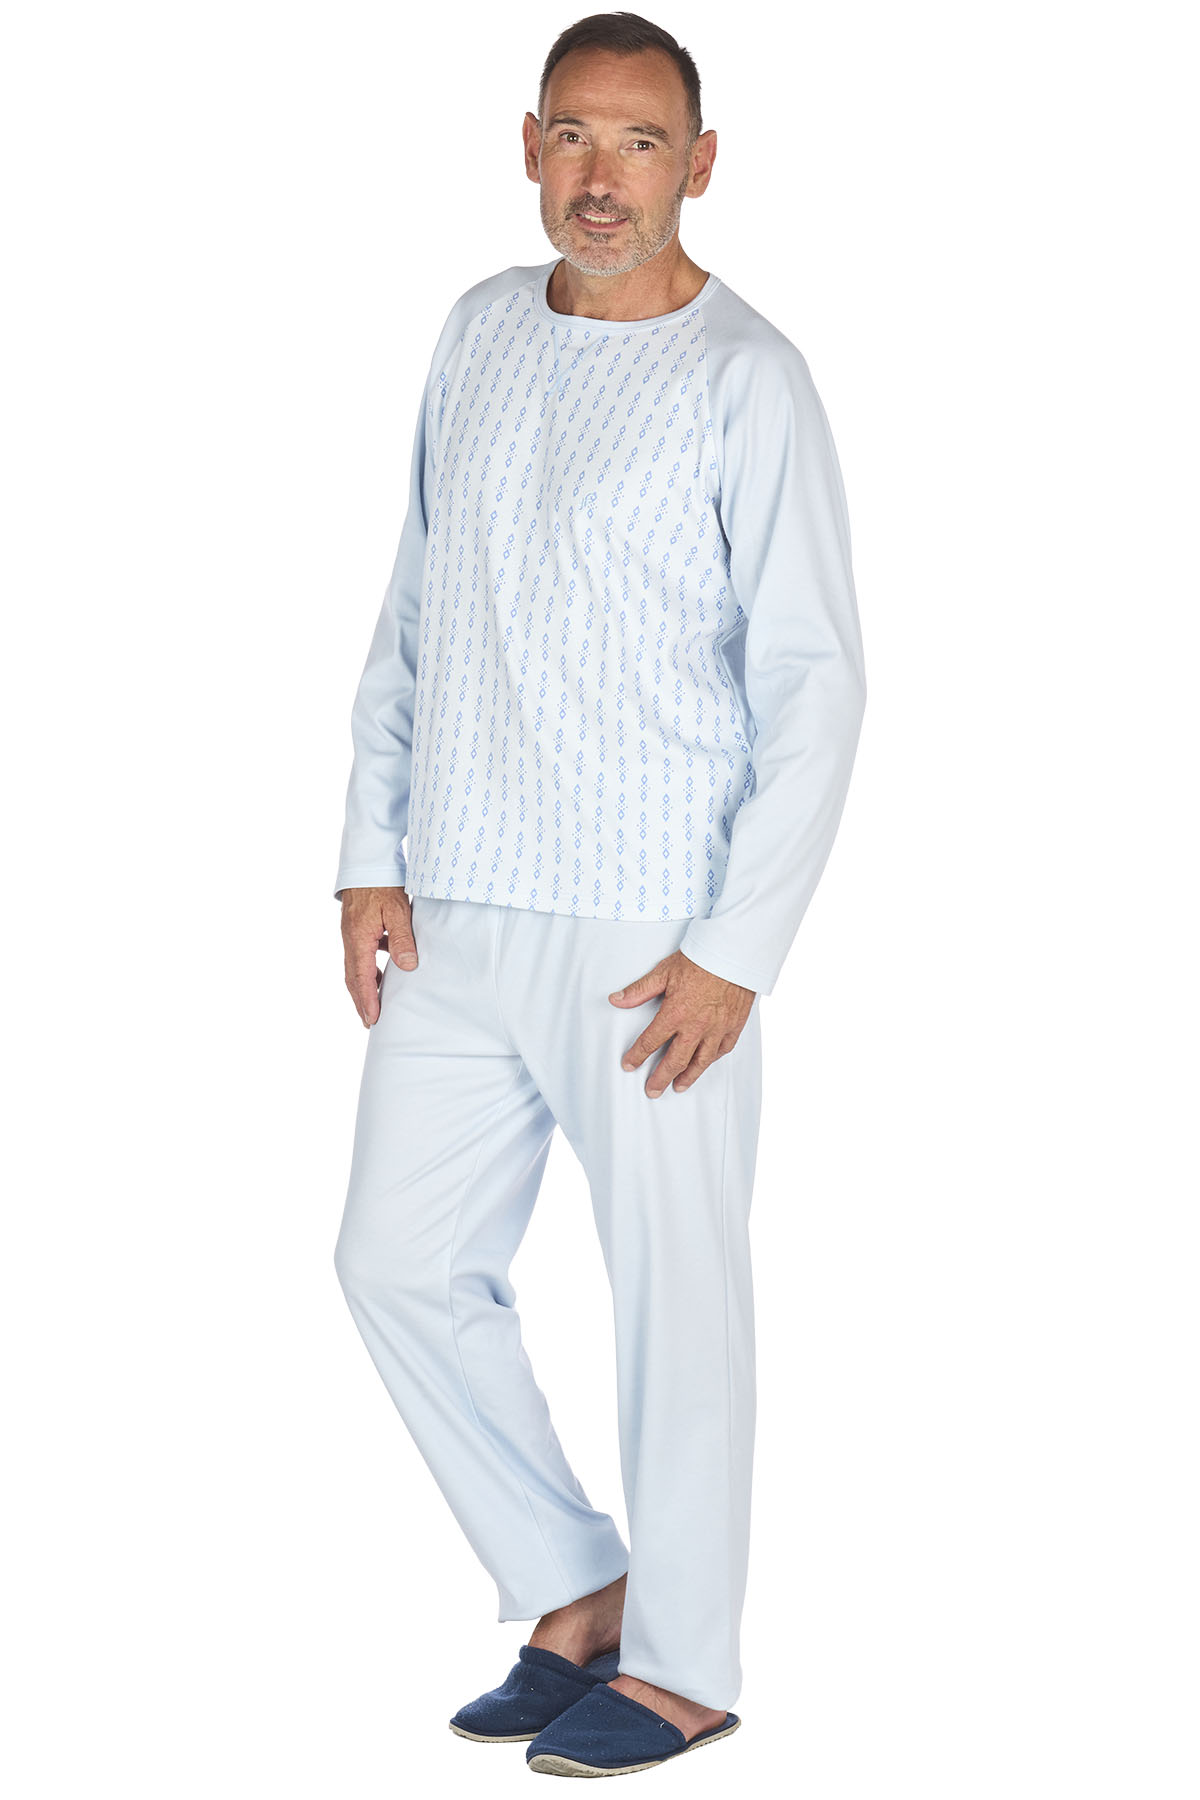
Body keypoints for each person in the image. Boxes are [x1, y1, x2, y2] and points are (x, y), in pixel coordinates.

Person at [331, 10, 867, 1778]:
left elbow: (815, 683)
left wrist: (738, 951)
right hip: (460, 910)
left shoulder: (748, 377)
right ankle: (577, 1584)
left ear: (700, 164)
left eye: (639, 143)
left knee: (675, 1304)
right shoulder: (478, 328)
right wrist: (371, 850)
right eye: (572, 135)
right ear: (527, 146)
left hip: (655, 937)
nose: (600, 176)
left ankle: (686, 1665)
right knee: (395, 1262)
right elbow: (416, 605)